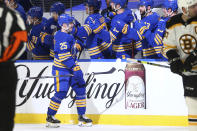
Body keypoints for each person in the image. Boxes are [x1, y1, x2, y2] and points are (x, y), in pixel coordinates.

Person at [46, 14, 92, 128]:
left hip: (70, 68)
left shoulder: (69, 35)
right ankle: (50, 117)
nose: (72, 25)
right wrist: (76, 69)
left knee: (80, 89)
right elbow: (64, 56)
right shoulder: (61, 36)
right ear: (64, 25)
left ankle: (81, 116)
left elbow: (72, 52)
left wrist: (78, 45)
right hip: (61, 70)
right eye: (70, 23)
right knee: (61, 93)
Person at [163, 0, 197, 130]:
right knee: (192, 105)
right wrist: (174, 59)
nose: (196, 8)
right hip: (189, 73)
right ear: (184, 9)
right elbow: (168, 45)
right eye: (192, 6)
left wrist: (194, 56)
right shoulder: (173, 22)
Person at [0, 1, 27, 130]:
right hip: (5, 70)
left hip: (5, 69)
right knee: (5, 114)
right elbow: (21, 42)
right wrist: (4, 59)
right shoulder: (11, 15)